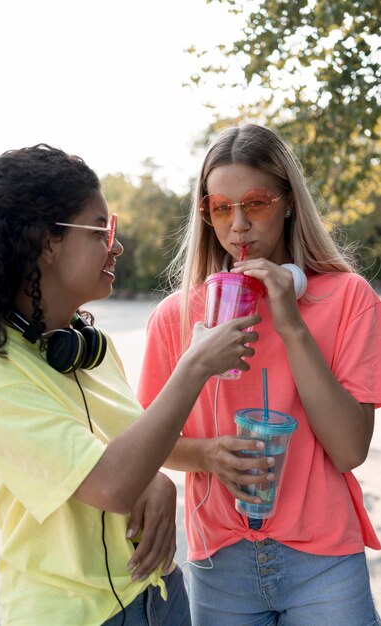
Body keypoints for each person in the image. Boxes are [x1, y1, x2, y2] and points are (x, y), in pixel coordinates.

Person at [0, 144, 270, 626]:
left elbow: (134, 453)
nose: (117, 245)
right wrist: (194, 366)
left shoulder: (88, 344)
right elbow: (110, 483)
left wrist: (161, 481)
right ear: (46, 242)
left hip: (160, 593)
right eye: (101, 229)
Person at [137, 123, 381, 626]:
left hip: (324, 562)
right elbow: (145, 442)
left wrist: (291, 322)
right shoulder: (177, 317)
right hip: (218, 562)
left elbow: (350, 449)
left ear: (288, 201)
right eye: (221, 208)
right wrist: (208, 454)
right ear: (205, 214)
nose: (238, 226)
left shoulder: (348, 298)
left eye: (256, 203)